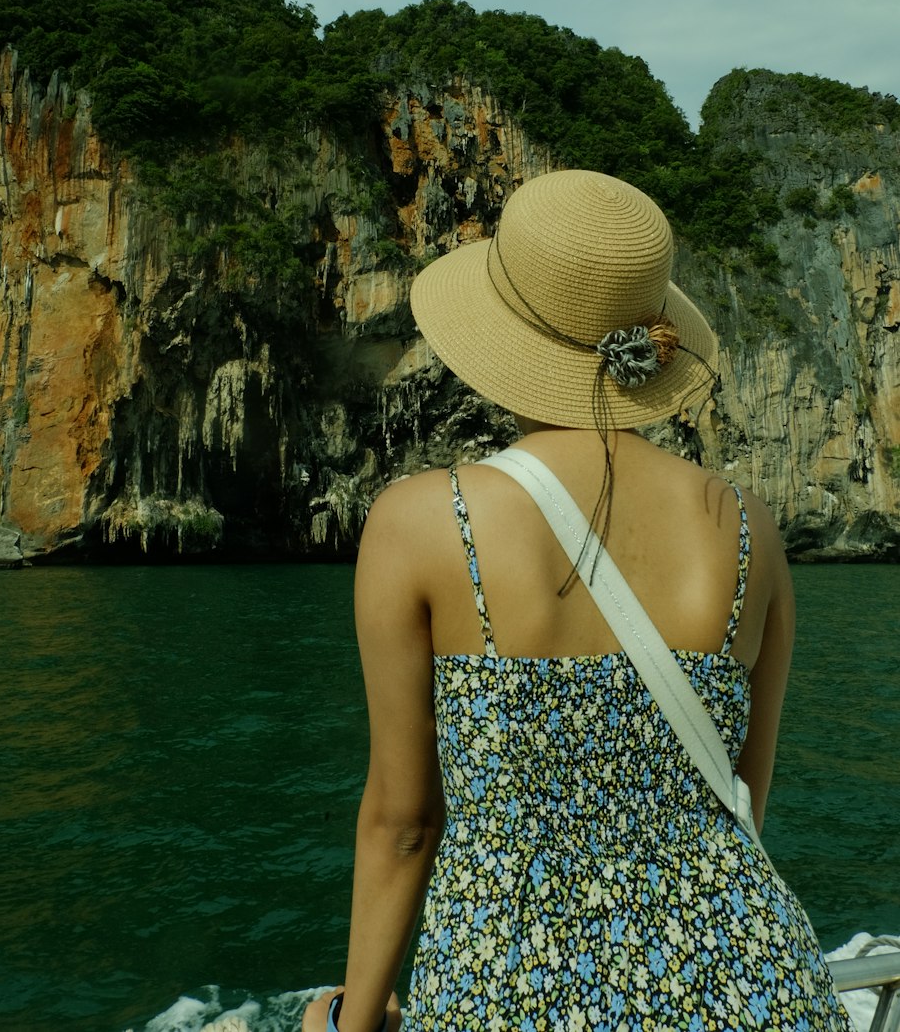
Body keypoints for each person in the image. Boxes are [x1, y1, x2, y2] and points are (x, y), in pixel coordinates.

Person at [303, 169, 848, 1032]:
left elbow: (406, 824)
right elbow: (745, 800)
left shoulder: (419, 523)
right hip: (752, 981)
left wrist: (353, 1019)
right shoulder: (748, 529)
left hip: (511, 985)